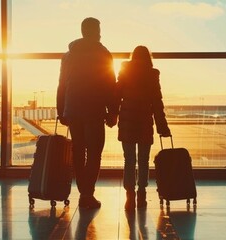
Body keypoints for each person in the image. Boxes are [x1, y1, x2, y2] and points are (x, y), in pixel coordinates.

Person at [57, 17, 118, 209]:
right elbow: (109, 84)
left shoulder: (68, 55)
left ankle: (83, 191)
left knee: (79, 151)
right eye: (99, 29)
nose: (100, 33)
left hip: (73, 110)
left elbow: (62, 85)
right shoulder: (103, 53)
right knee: (94, 152)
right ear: (94, 31)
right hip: (94, 109)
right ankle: (87, 193)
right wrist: (113, 111)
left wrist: (62, 110)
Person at [116, 45, 170, 210]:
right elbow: (157, 103)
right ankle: (142, 194)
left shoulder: (125, 72)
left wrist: (112, 114)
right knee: (143, 160)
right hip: (144, 122)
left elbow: (116, 95)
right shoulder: (152, 75)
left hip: (127, 122)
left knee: (129, 160)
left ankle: (129, 196)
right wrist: (162, 126)